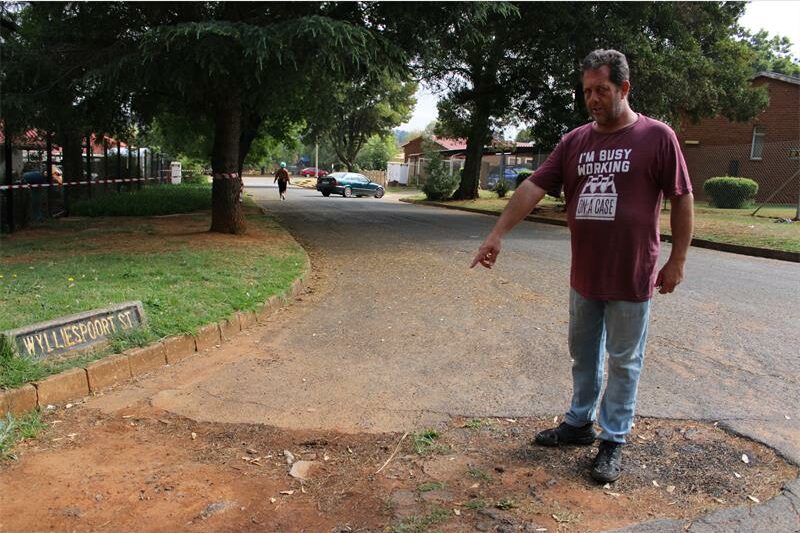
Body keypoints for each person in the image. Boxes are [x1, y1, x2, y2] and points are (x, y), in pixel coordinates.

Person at [470, 49, 694, 483]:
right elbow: (533, 186)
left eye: (602, 90)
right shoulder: (575, 141)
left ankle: (613, 439)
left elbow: (682, 197)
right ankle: (578, 425)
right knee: (583, 355)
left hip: (631, 273)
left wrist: (677, 260)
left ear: (624, 89)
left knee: (624, 361)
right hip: (584, 275)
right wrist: (497, 234)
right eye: (587, 91)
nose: (592, 99)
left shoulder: (657, 136)